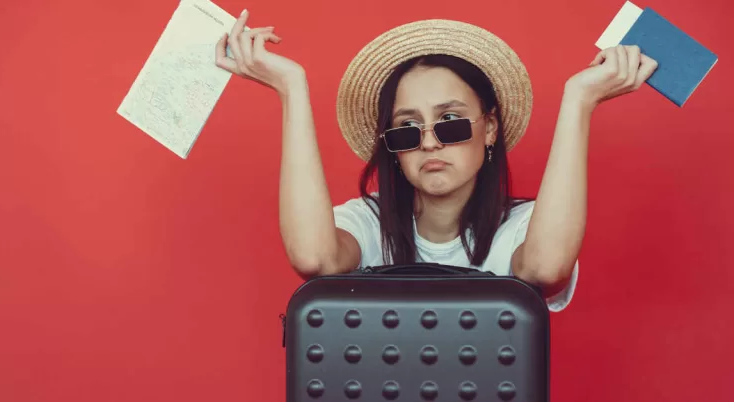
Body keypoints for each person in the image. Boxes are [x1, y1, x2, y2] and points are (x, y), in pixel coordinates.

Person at [214, 10, 658, 312]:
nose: (429, 143)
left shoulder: (524, 226)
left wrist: (579, 100)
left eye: (450, 122)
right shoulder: (367, 221)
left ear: (489, 128)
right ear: (394, 147)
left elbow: (545, 270)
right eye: (408, 128)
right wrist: (291, 87)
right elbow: (314, 258)